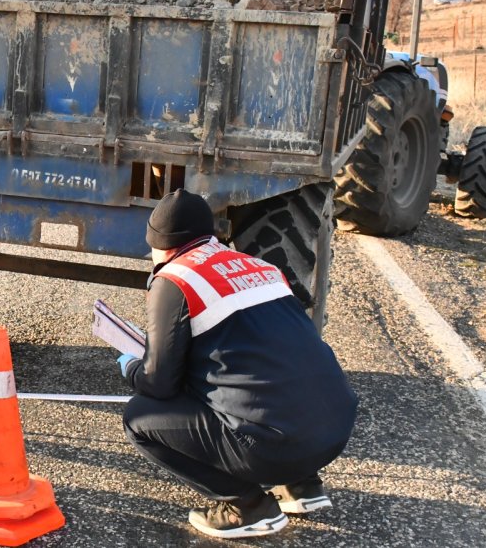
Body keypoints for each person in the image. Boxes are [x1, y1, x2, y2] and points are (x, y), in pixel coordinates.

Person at [117, 189, 357, 540]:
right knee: (257, 371)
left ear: (159, 244)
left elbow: (159, 383)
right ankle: (302, 486)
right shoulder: (261, 267)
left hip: (274, 446)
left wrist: (130, 367)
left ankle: (246, 506)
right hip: (333, 433)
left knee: (139, 418)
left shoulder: (175, 280)